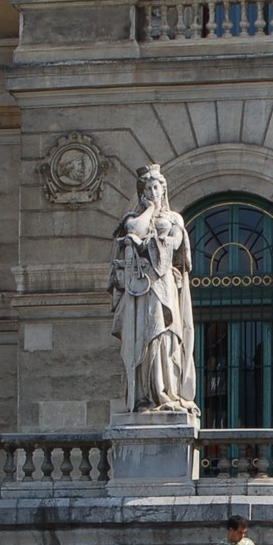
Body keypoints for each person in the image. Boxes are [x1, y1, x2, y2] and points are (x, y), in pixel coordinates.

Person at [110, 162, 198, 412]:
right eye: (147, 188)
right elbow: (134, 229)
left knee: (165, 333)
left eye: (156, 187)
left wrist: (142, 245)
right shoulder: (134, 218)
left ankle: (165, 390)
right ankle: (144, 395)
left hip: (164, 284)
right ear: (142, 192)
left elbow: (175, 245)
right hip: (141, 289)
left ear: (163, 189)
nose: (152, 192)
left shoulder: (174, 219)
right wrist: (149, 210)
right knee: (143, 337)